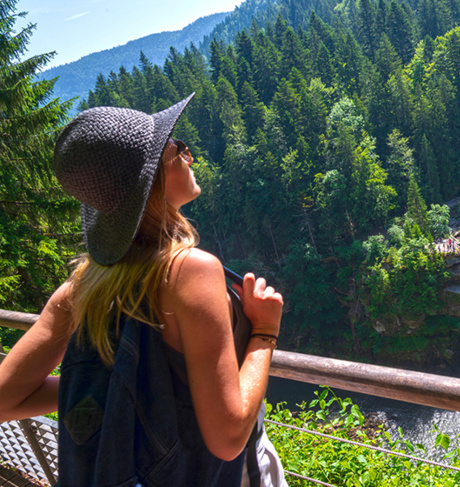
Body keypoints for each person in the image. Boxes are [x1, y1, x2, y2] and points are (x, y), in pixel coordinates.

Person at [0, 94, 284, 486]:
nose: (189, 157)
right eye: (178, 149)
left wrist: (120, 386)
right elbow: (228, 437)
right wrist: (266, 332)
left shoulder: (81, 287)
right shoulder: (190, 271)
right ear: (155, 177)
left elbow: (4, 399)